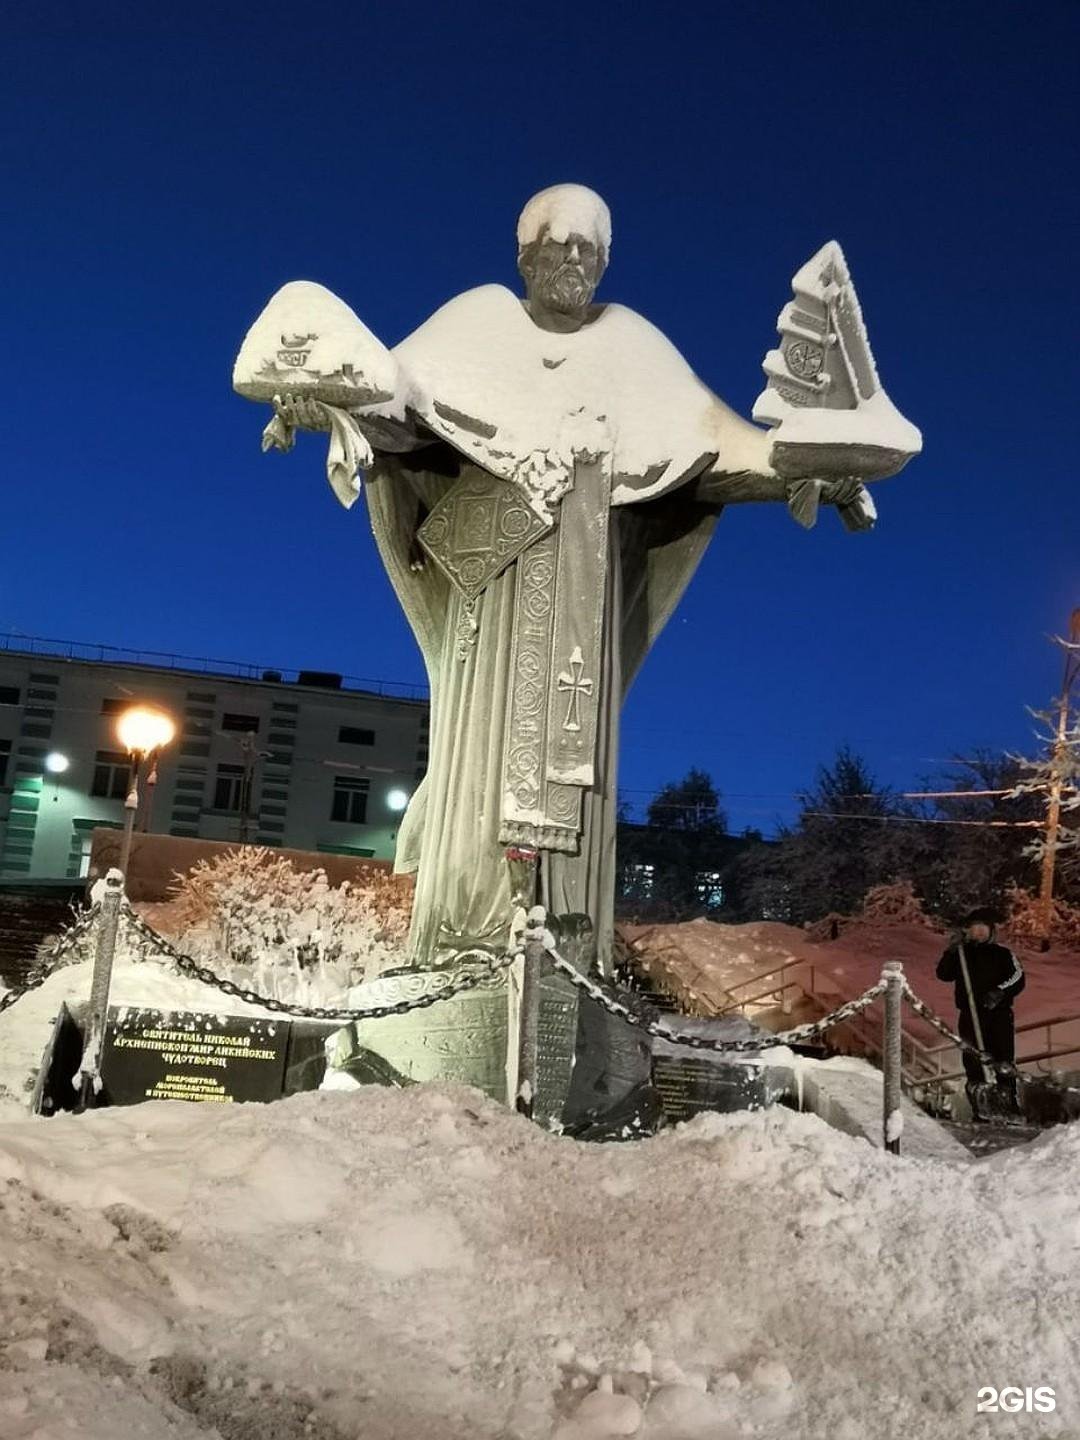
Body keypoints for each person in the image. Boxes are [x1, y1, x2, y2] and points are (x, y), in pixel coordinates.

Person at [936, 907, 1025, 1109]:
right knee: (973, 1058)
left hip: (999, 1014)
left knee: (1003, 1058)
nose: (980, 932)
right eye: (975, 928)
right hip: (970, 1014)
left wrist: (999, 992)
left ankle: (1008, 1102)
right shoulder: (961, 954)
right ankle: (980, 1104)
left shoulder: (1002, 954)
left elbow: (1018, 978)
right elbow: (943, 974)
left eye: (983, 928)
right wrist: (951, 951)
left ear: (991, 931)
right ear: (968, 931)